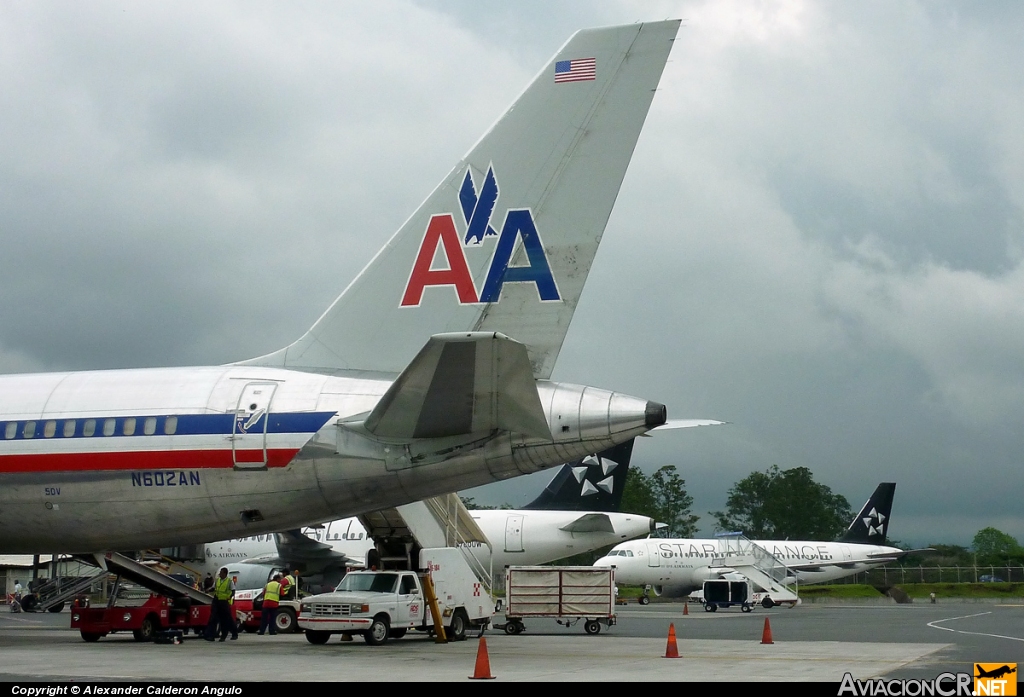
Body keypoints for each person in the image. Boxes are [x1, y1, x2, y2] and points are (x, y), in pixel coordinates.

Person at [205, 568, 238, 642]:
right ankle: (210, 635)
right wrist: (208, 590)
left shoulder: (229, 581)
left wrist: (229, 597)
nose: (220, 574)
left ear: (225, 574)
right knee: (213, 618)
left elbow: (233, 591)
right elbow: (214, 588)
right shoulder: (217, 580)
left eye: (222, 573)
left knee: (226, 619)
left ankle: (228, 634)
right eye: (220, 573)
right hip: (216, 601)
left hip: (224, 602)